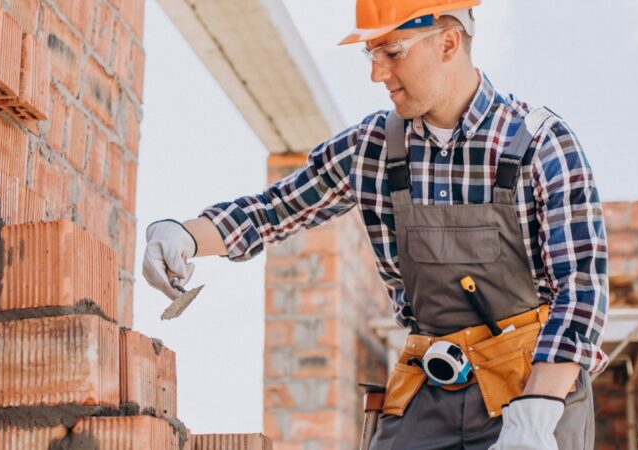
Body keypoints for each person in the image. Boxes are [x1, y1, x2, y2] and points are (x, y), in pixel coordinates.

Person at [142, 1, 608, 448]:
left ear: (448, 43)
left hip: (535, 384)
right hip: (432, 386)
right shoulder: (375, 148)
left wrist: (536, 414)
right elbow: (273, 209)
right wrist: (184, 233)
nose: (376, 73)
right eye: (372, 54)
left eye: (391, 52)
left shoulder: (539, 143)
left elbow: (581, 291)